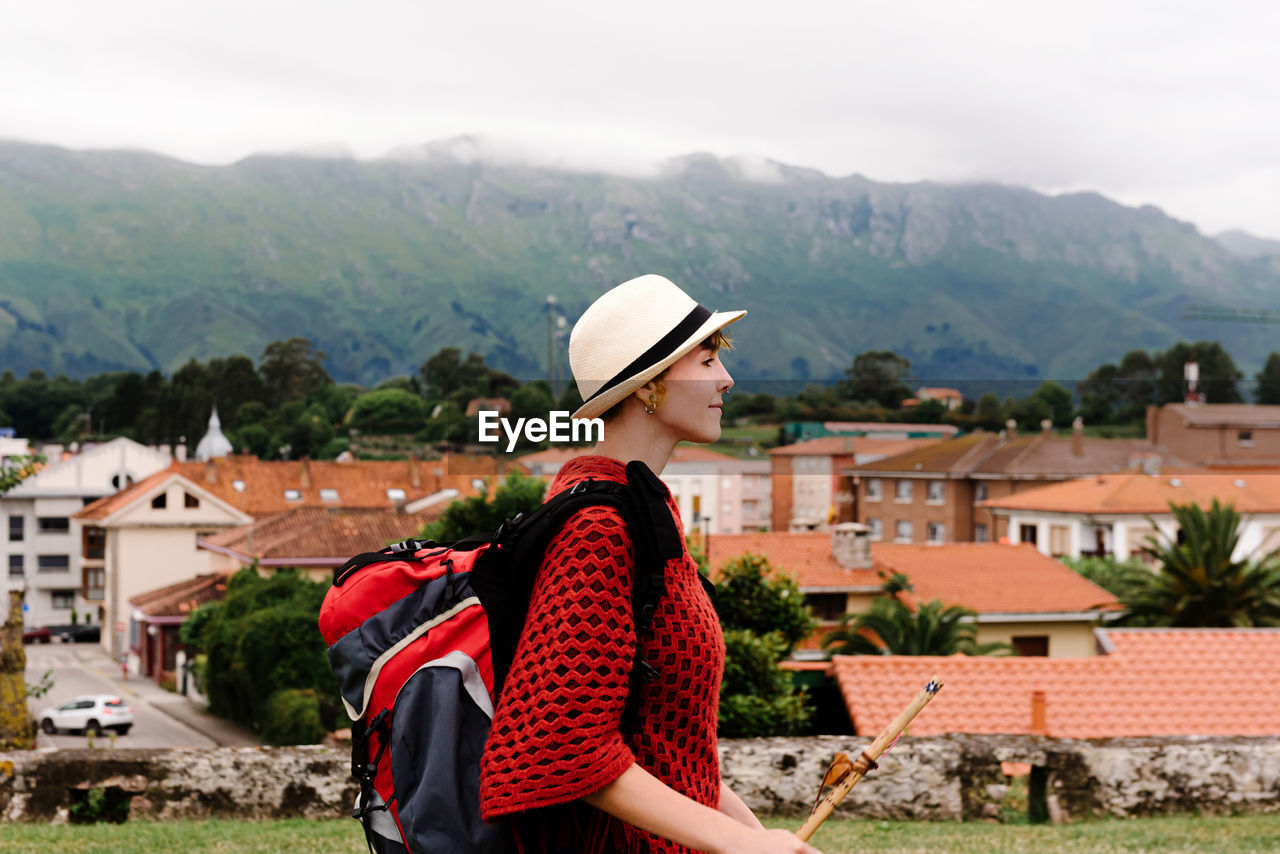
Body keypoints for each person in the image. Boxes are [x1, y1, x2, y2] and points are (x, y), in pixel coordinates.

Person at [480, 275, 821, 854]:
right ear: (650, 386)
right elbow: (565, 743)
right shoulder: (598, 529)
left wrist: (761, 838)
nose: (727, 379)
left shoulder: (640, 512)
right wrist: (745, 846)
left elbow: (669, 753)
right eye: (707, 360)